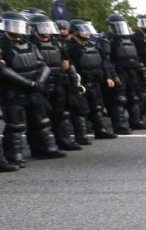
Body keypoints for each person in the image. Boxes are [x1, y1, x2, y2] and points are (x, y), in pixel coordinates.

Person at [1, 10, 67, 166]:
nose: (17, 30)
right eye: (14, 25)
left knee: (41, 121)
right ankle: (14, 155)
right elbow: (3, 70)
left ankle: (45, 149)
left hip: (34, 88)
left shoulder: (29, 43)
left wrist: (39, 82)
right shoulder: (2, 45)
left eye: (20, 26)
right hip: (13, 90)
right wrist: (27, 83)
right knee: (16, 125)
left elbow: (43, 65)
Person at [28, 12, 83, 151]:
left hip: (58, 82)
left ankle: (64, 141)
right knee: (40, 118)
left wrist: (71, 81)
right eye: (42, 27)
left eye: (47, 27)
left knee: (61, 114)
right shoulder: (30, 44)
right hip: (40, 85)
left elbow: (65, 63)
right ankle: (41, 147)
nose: (46, 31)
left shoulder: (57, 42)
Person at [66, 20, 118, 141]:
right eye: (83, 30)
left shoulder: (92, 45)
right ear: (74, 31)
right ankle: (81, 136)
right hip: (80, 83)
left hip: (94, 81)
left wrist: (108, 77)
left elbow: (103, 62)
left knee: (97, 107)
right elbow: (69, 67)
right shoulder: (69, 47)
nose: (87, 32)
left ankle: (101, 130)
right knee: (80, 110)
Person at [100, 13, 146, 132]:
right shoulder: (108, 39)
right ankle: (120, 125)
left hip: (132, 71)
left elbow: (136, 57)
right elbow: (107, 60)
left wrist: (143, 71)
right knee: (119, 98)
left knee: (134, 97)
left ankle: (135, 120)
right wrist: (113, 75)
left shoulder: (129, 39)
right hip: (119, 70)